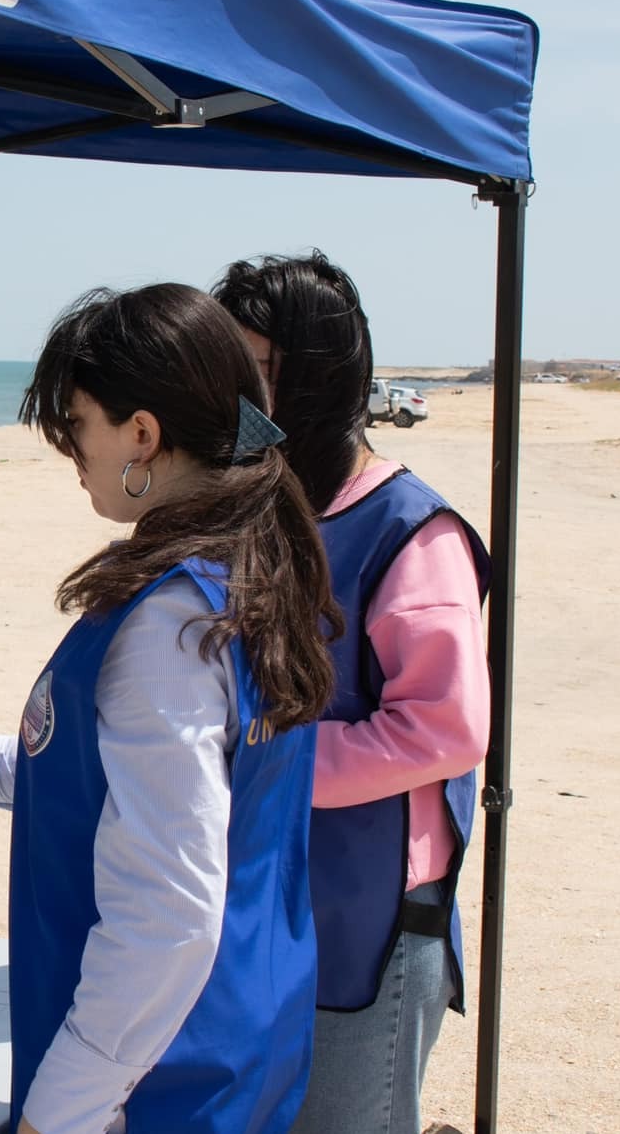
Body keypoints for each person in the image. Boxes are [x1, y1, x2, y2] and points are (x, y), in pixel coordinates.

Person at [0, 283, 344, 1134]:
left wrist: (59, 1112)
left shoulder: (168, 621)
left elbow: (168, 915)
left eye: (78, 423)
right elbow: (119, 784)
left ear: (142, 434)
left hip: (156, 1084)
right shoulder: (250, 574)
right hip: (243, 1041)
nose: (68, 448)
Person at [213, 252, 491, 1134]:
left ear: (322, 376)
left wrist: (268, 761)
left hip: (366, 918)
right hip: (264, 899)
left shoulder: (411, 530)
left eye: (259, 368)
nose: (239, 394)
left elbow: (445, 728)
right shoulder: (259, 509)